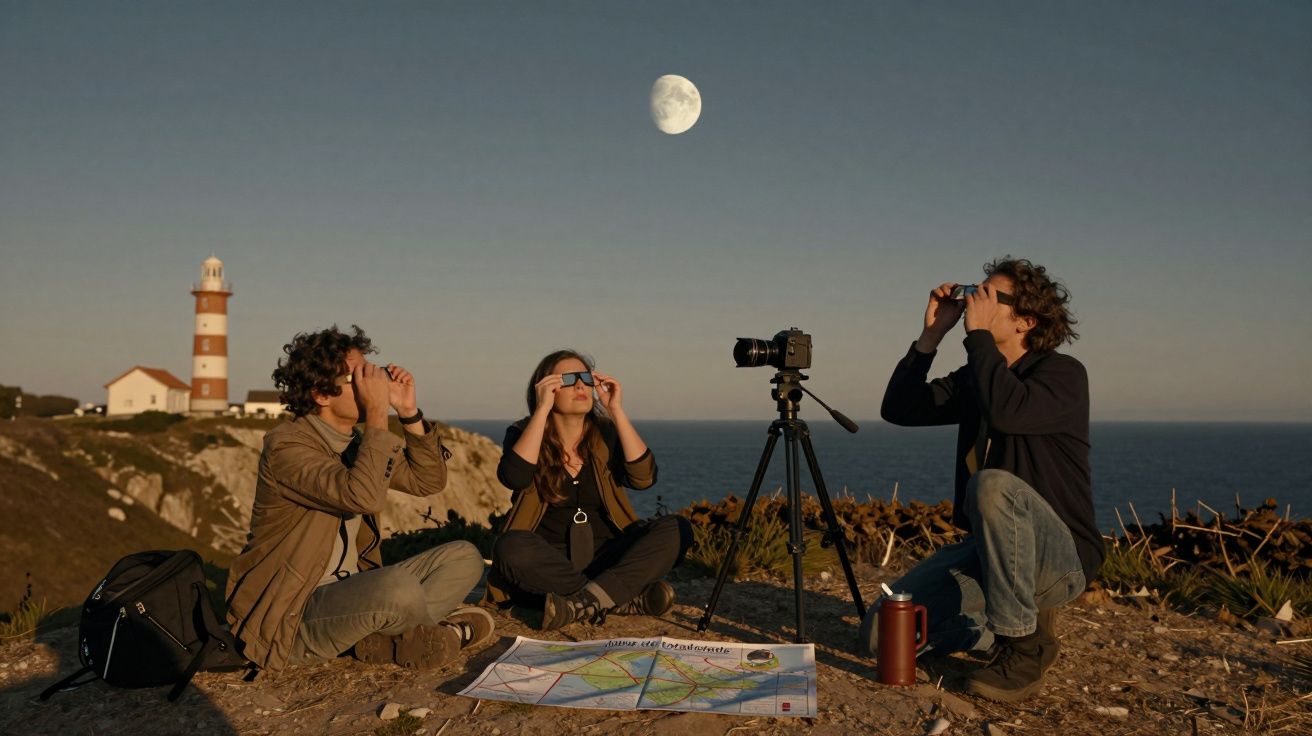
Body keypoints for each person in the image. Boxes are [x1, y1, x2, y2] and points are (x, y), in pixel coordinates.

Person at [862, 258, 1101, 703]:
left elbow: (1009, 410)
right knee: (884, 633)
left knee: (992, 485)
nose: (976, 301)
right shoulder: (979, 377)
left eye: (989, 296)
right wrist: (931, 337)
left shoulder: (1063, 375)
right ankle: (1010, 625)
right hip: (992, 554)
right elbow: (900, 409)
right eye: (976, 291)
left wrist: (976, 337)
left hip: (1059, 558)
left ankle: (1024, 649)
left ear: (1027, 320)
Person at [225, 325, 492, 673]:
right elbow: (361, 496)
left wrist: (408, 412)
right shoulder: (287, 447)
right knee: (397, 586)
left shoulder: (353, 445)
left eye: (373, 372)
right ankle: (438, 633)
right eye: (359, 376)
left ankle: (390, 636)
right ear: (322, 393)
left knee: (464, 557)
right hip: (294, 613)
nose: (373, 383)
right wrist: (379, 413)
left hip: (352, 591)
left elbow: (427, 481)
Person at [485, 349, 692, 630]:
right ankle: (616, 600)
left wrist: (616, 411)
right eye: (568, 379)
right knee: (510, 546)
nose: (581, 385)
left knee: (677, 529)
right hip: (550, 564)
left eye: (585, 377)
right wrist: (542, 410)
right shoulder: (524, 433)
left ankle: (584, 601)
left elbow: (644, 479)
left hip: (607, 557)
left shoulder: (607, 433)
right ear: (546, 388)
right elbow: (515, 477)